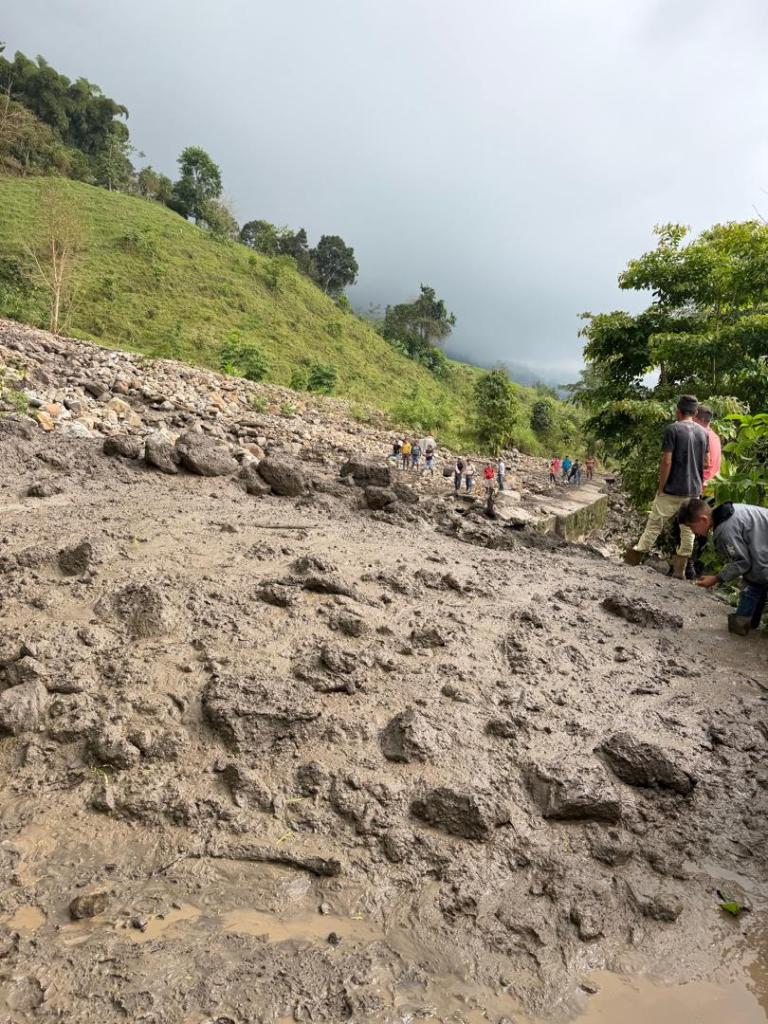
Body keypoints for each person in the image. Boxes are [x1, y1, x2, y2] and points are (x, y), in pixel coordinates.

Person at [624, 395, 709, 579]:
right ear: (695, 412)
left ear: (678, 411)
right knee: (688, 531)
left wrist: (662, 487)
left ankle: (633, 560)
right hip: (693, 491)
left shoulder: (673, 429)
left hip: (672, 489)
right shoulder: (704, 433)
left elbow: (667, 461)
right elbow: (707, 462)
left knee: (654, 525)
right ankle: (679, 572)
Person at [678, 498, 768, 635]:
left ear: (703, 520)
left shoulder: (725, 530)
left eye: (691, 527)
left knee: (752, 582)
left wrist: (716, 578)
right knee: (756, 579)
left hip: (762, 558)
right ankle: (750, 622)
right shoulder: (730, 511)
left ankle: (742, 623)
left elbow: (742, 563)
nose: (693, 532)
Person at [695, 405, 722, 485]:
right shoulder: (715, 436)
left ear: (700, 420)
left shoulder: (699, 435)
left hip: (700, 483)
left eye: (693, 419)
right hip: (713, 483)